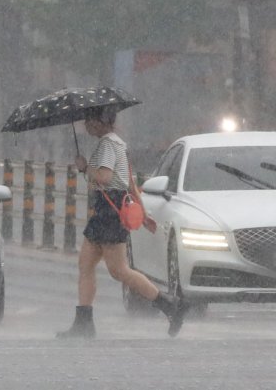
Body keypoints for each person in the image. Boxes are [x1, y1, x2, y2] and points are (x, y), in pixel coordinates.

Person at [56, 106, 188, 338]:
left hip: (109, 211)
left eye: (89, 120)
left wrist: (85, 168)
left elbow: (105, 177)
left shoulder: (108, 144)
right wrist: (144, 213)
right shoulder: (119, 143)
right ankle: (84, 322)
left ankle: (170, 306)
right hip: (107, 210)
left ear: (100, 121)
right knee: (85, 265)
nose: (86, 125)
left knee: (120, 271)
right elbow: (130, 183)